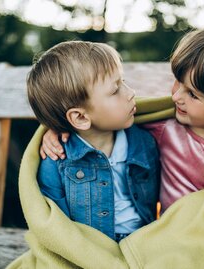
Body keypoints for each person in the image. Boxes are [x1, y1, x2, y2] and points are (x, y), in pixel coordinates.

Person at [41, 20, 204, 238]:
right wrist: (56, 129)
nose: (176, 97)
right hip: (167, 243)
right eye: (177, 82)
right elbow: (97, 118)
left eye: (192, 94)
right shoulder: (164, 128)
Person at [27, 41, 160, 242]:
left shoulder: (145, 142)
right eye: (115, 90)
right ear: (80, 118)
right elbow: (54, 227)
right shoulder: (56, 159)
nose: (131, 92)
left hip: (143, 242)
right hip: (89, 249)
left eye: (123, 82)